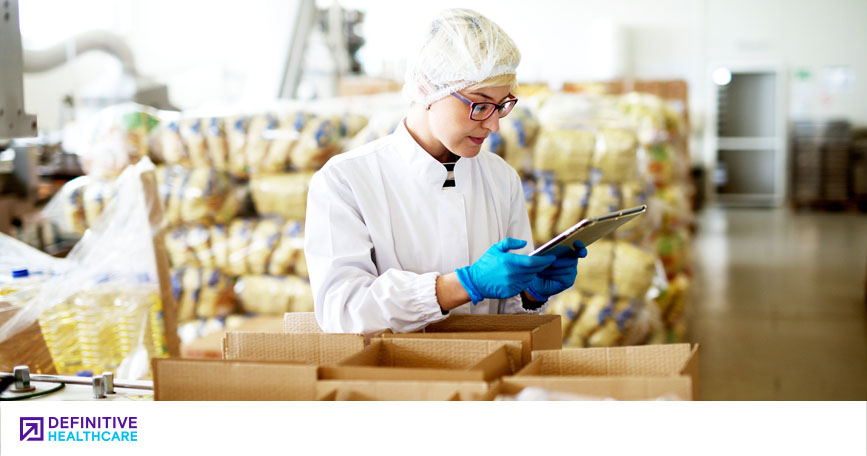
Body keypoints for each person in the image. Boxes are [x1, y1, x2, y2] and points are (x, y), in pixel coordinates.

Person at [304, 8, 586, 335]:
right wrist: (462, 286)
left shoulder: (500, 178)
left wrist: (530, 292)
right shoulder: (346, 181)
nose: (494, 124)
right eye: (479, 105)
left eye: (502, 105)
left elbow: (509, 319)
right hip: (393, 380)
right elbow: (343, 311)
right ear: (427, 88)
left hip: (489, 374)